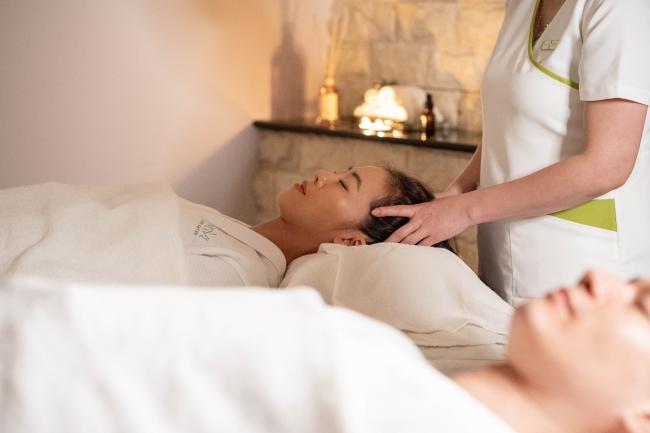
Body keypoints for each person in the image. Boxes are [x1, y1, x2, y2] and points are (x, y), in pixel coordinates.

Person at [372, 0, 650, 305]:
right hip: (502, 256)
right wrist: (457, 191)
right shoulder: (522, 5)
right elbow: (507, 125)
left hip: (582, 266)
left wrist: (464, 210)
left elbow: (606, 167)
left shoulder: (619, 7)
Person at [182, 166, 439, 287]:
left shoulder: (234, 276)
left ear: (349, 241)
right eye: (339, 172)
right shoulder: (232, 233)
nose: (322, 174)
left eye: (342, 185)